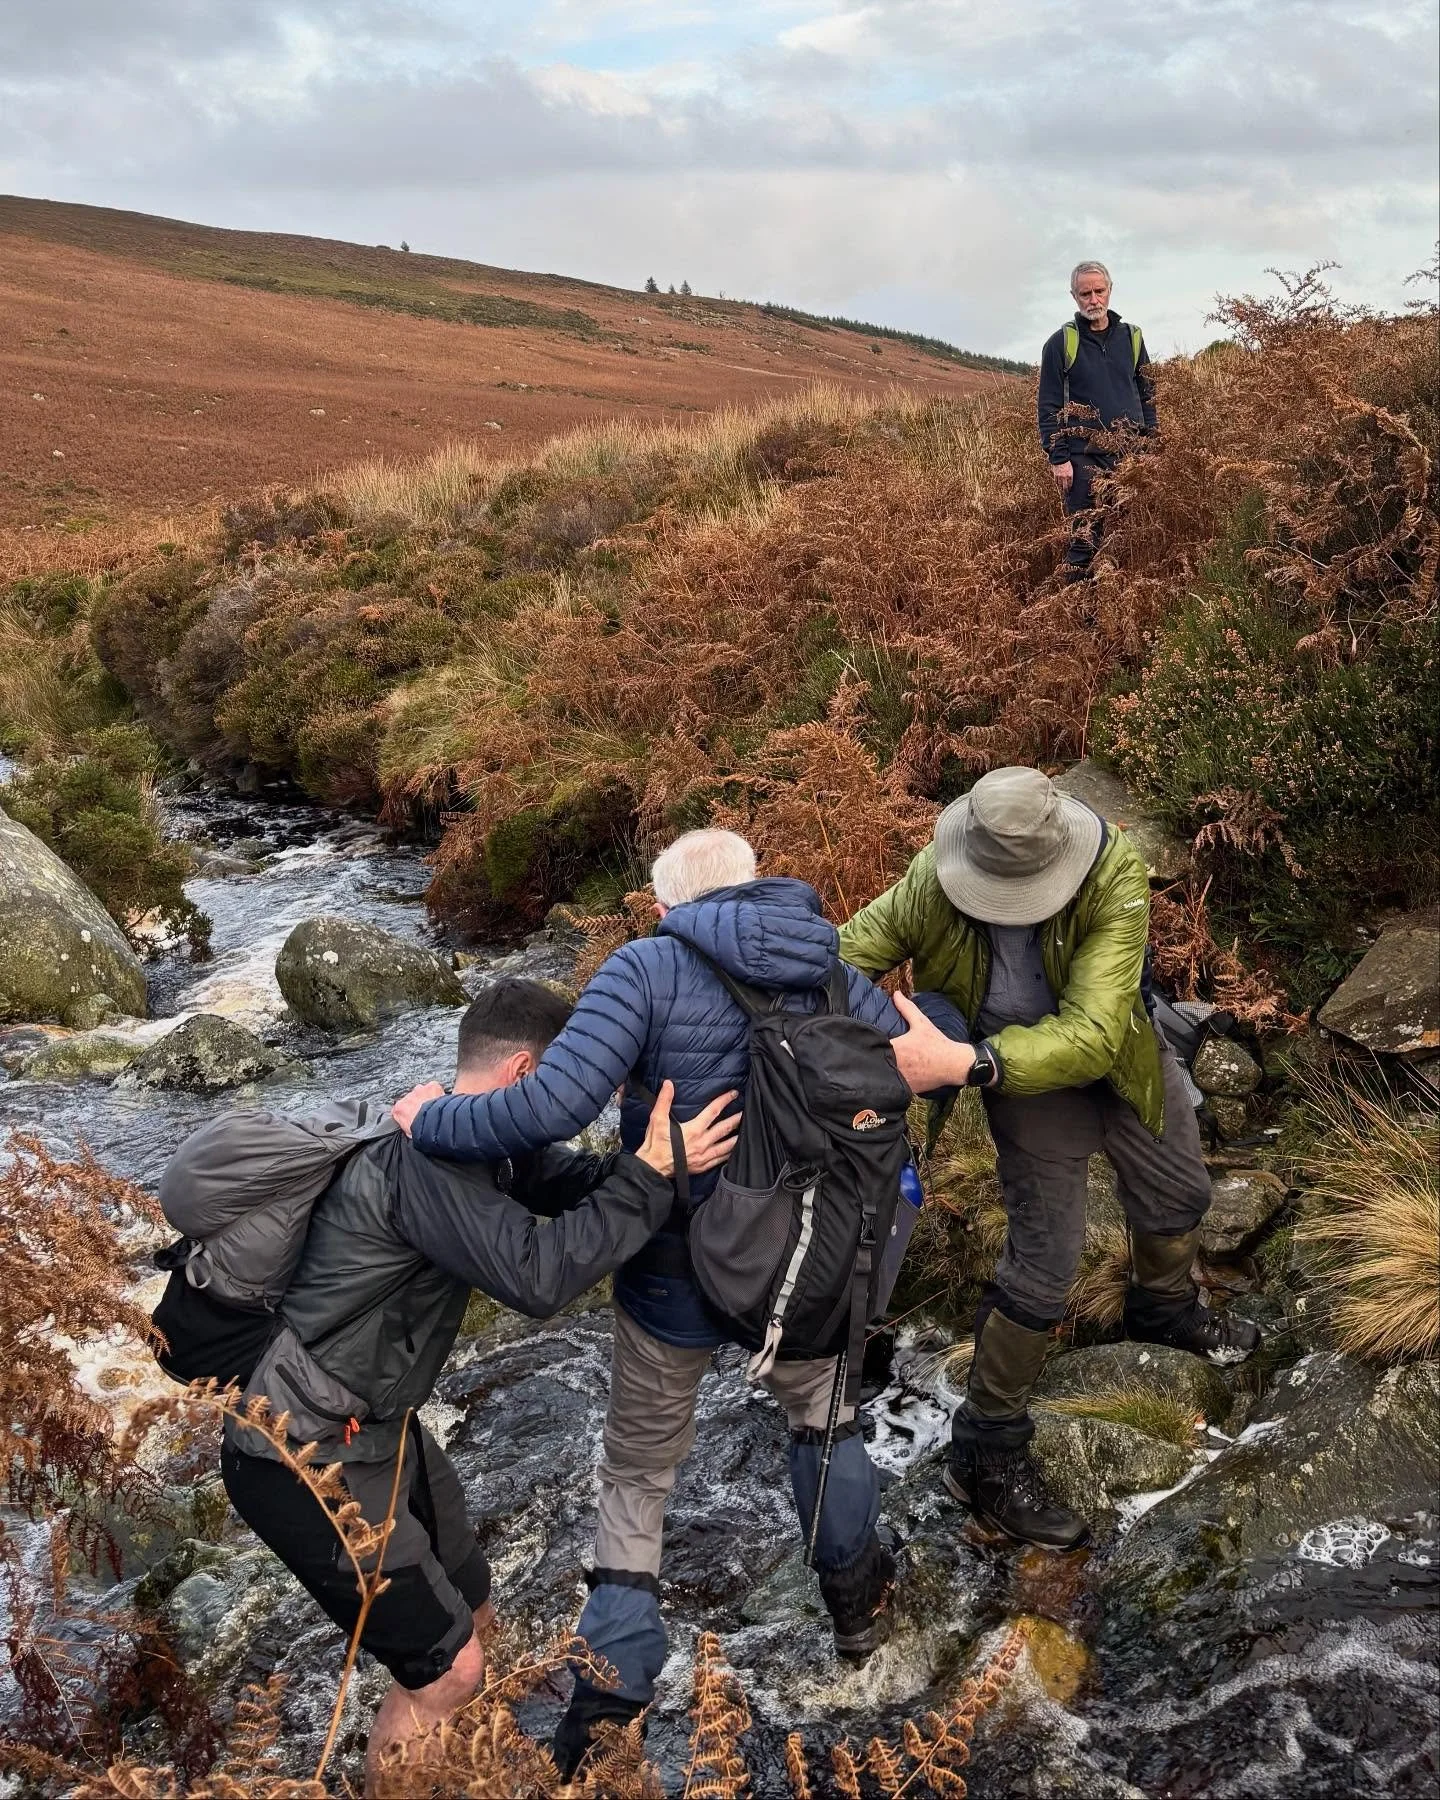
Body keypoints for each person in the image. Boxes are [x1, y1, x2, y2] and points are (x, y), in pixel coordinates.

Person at [393, 830, 909, 1777]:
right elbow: (902, 1067)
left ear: (664, 906)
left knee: (638, 1484)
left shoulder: (647, 967)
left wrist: (431, 1118)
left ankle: (602, 1723)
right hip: (805, 1270)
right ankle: (858, 1623)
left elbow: (547, 1109)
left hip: (673, 1271)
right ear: (756, 888)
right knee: (825, 1428)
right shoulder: (831, 963)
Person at [218, 978, 738, 1795]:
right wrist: (646, 1178)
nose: (581, 1104)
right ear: (528, 1074)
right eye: (577, 1086)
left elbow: (566, 1187)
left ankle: (467, 1759)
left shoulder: (482, 1140)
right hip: (298, 1447)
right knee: (447, 1672)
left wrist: (655, 1166)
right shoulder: (428, 1164)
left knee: (475, 1604)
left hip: (377, 1429)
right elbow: (539, 1275)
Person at [839, 767, 1261, 1553]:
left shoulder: (1114, 868)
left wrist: (965, 1064)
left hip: (1111, 1055)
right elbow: (842, 960)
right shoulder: (933, 875)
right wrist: (905, 1037)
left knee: (1182, 1195)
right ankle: (987, 1448)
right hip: (1017, 1081)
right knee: (1045, 1256)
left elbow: (1099, 1030)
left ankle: (1161, 1311)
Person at [1037, 260, 1157, 581]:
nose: (1094, 300)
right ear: (1074, 297)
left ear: (1110, 290)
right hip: (1083, 461)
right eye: (1085, 293)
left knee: (1129, 537)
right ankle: (1081, 618)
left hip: (1130, 459)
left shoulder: (1132, 338)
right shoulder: (1061, 344)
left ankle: (1121, 607)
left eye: (1099, 291)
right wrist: (1059, 459)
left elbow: (1148, 396)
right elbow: (1048, 406)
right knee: (1085, 543)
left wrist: (1151, 449)